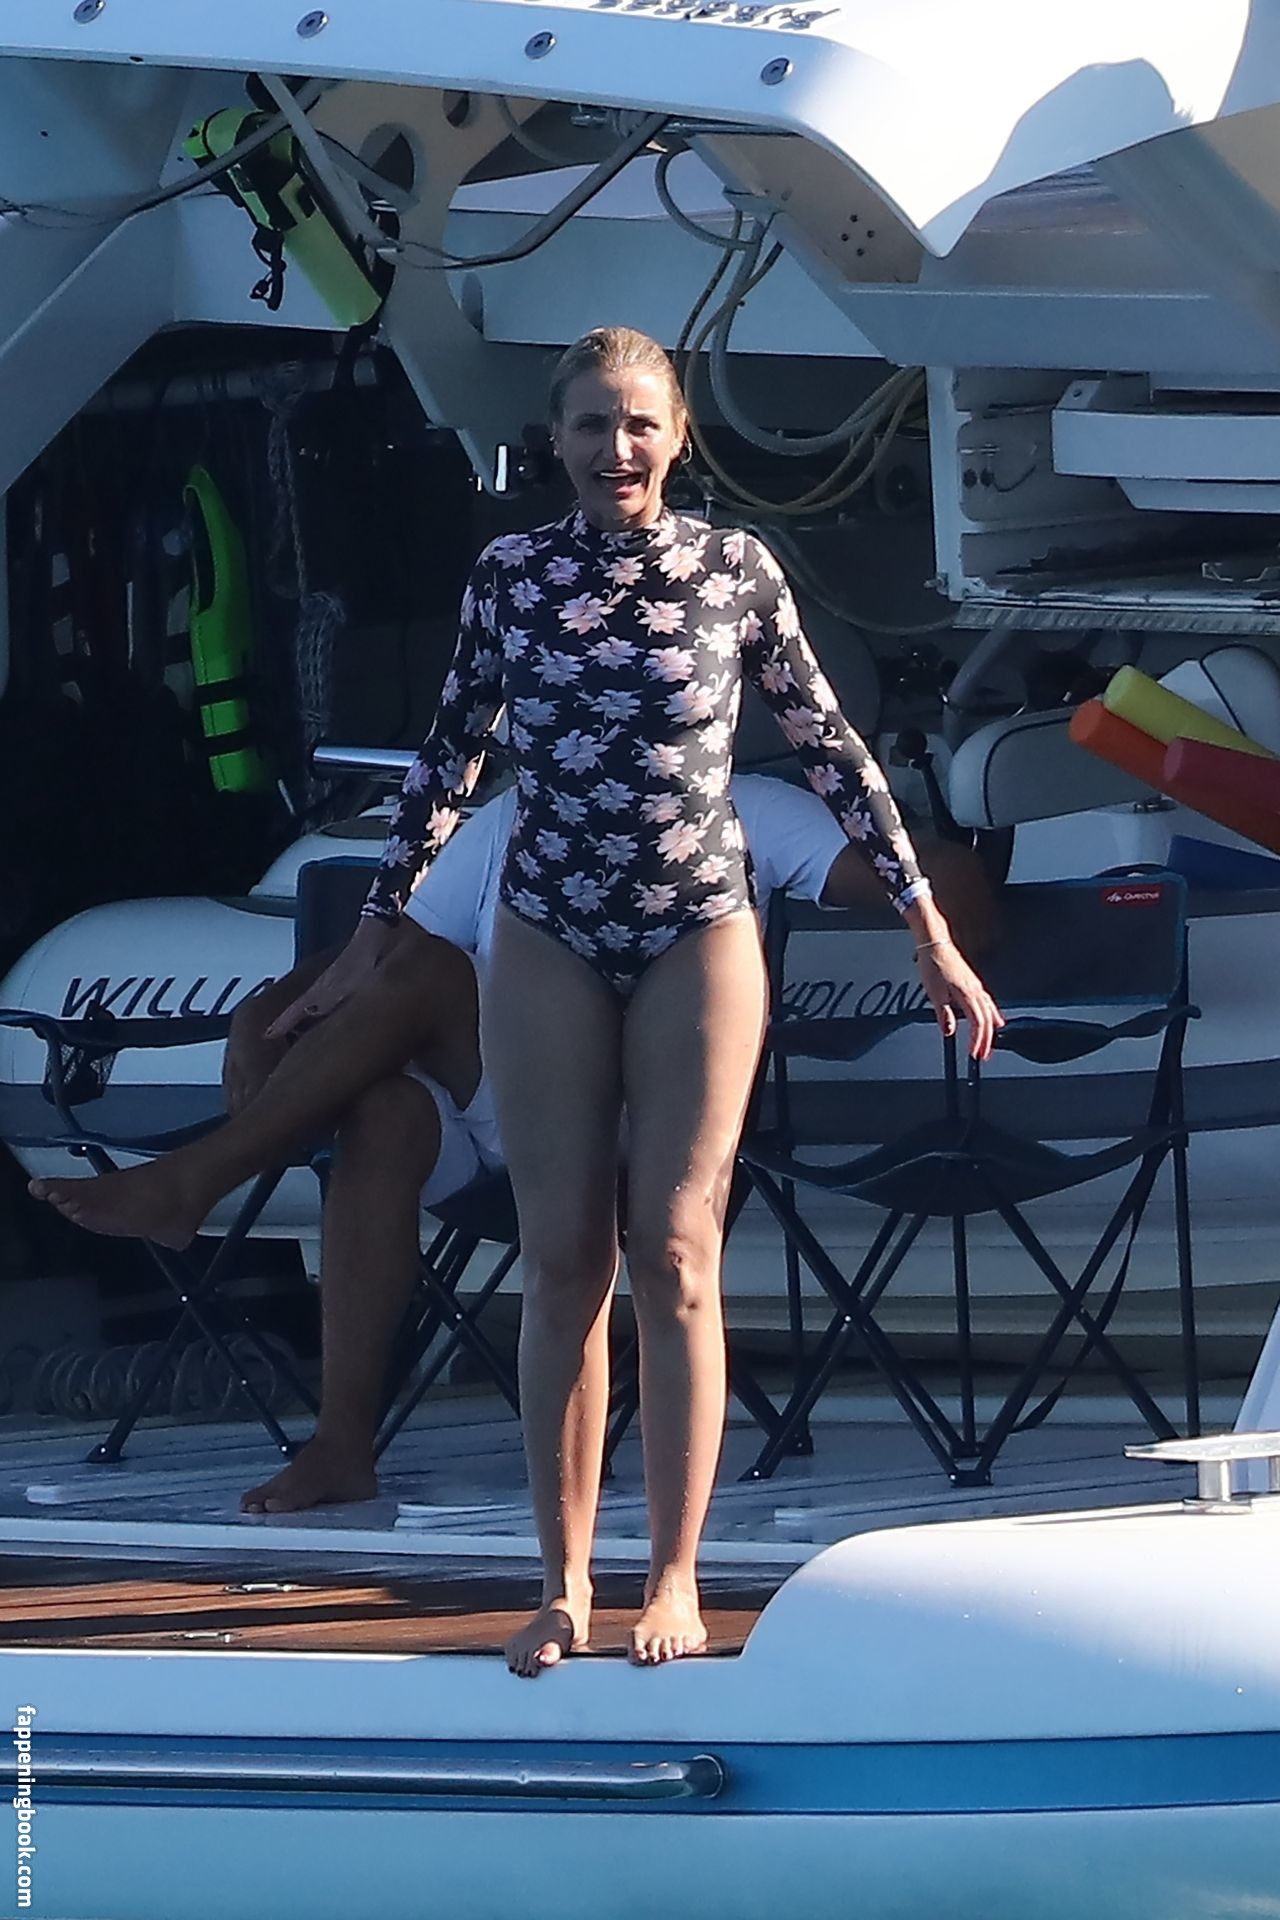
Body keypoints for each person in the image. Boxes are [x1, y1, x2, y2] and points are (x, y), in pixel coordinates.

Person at [42, 325, 1003, 1676]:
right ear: (554, 441)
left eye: (640, 424)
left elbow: (831, 746)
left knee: (676, 1253)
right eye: (591, 425)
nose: (617, 448)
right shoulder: (511, 575)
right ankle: (561, 1587)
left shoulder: (734, 569)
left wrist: (927, 930)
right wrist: (374, 933)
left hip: (697, 929)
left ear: (678, 438)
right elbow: (449, 757)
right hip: (549, 927)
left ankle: (673, 1575)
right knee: (564, 1258)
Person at [31, 774, 1000, 1519]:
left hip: (640, 1128)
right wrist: (262, 1012)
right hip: (502, 1111)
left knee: (431, 985)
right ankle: (341, 1445)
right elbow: (385, 953)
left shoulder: (742, 805)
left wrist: (941, 934)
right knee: (384, 1111)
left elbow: (941, 877)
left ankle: (201, 1176)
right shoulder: (510, 815)